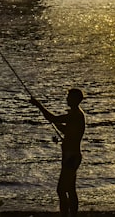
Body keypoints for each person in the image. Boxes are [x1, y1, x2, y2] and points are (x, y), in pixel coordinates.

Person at [32, 88, 86, 216]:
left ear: (75, 99)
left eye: (69, 97)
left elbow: (53, 118)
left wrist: (38, 105)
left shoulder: (75, 115)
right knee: (70, 189)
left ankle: (65, 215)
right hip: (71, 156)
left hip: (71, 157)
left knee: (61, 190)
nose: (67, 99)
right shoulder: (77, 115)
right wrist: (56, 124)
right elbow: (66, 130)